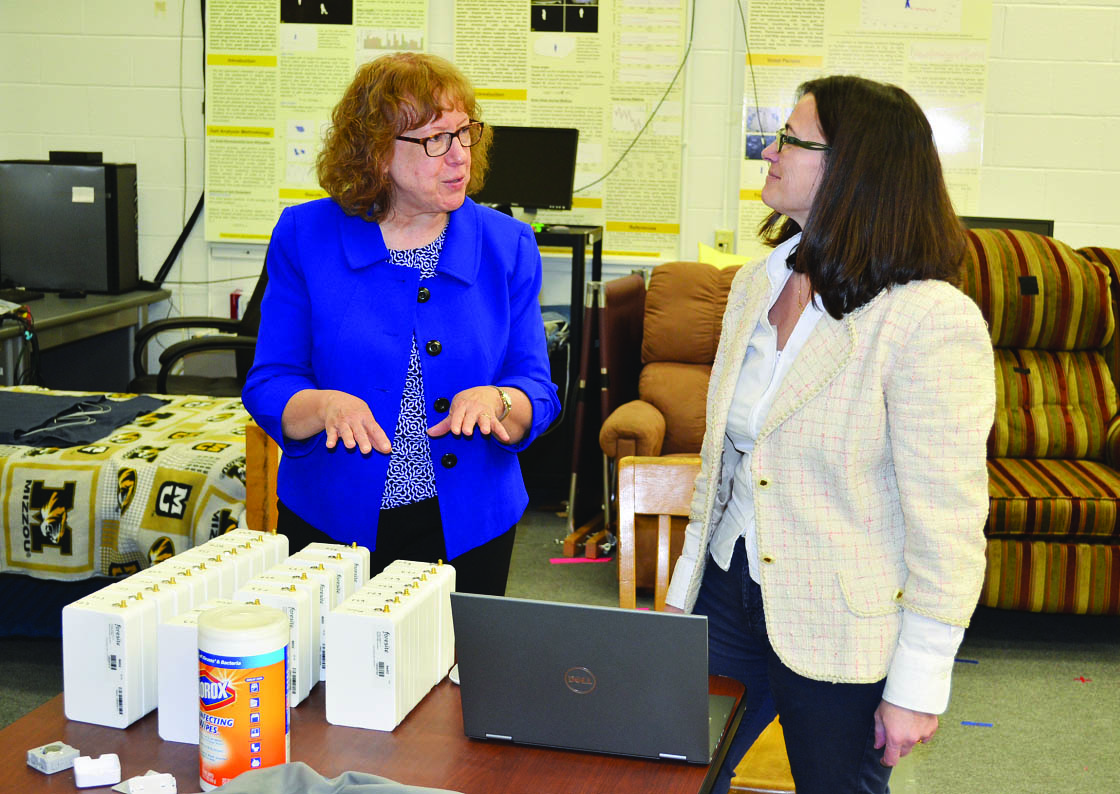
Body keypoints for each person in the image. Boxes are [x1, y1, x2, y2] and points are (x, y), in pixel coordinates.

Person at [663, 76, 995, 793]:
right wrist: (680, 595)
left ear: (851, 170)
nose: (770, 150)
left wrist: (918, 682)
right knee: (671, 775)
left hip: (843, 624)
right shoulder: (755, 283)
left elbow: (949, 525)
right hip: (727, 590)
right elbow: (722, 463)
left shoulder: (929, 320)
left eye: (791, 139)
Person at [242, 52, 560, 596]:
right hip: (330, 523)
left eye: (465, 132)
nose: (460, 156)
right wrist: (324, 406)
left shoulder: (508, 245)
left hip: (469, 526)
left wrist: (501, 402)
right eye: (436, 139)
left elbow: (538, 390)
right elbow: (270, 382)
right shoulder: (305, 235)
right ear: (376, 151)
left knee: (456, 678)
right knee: (326, 679)